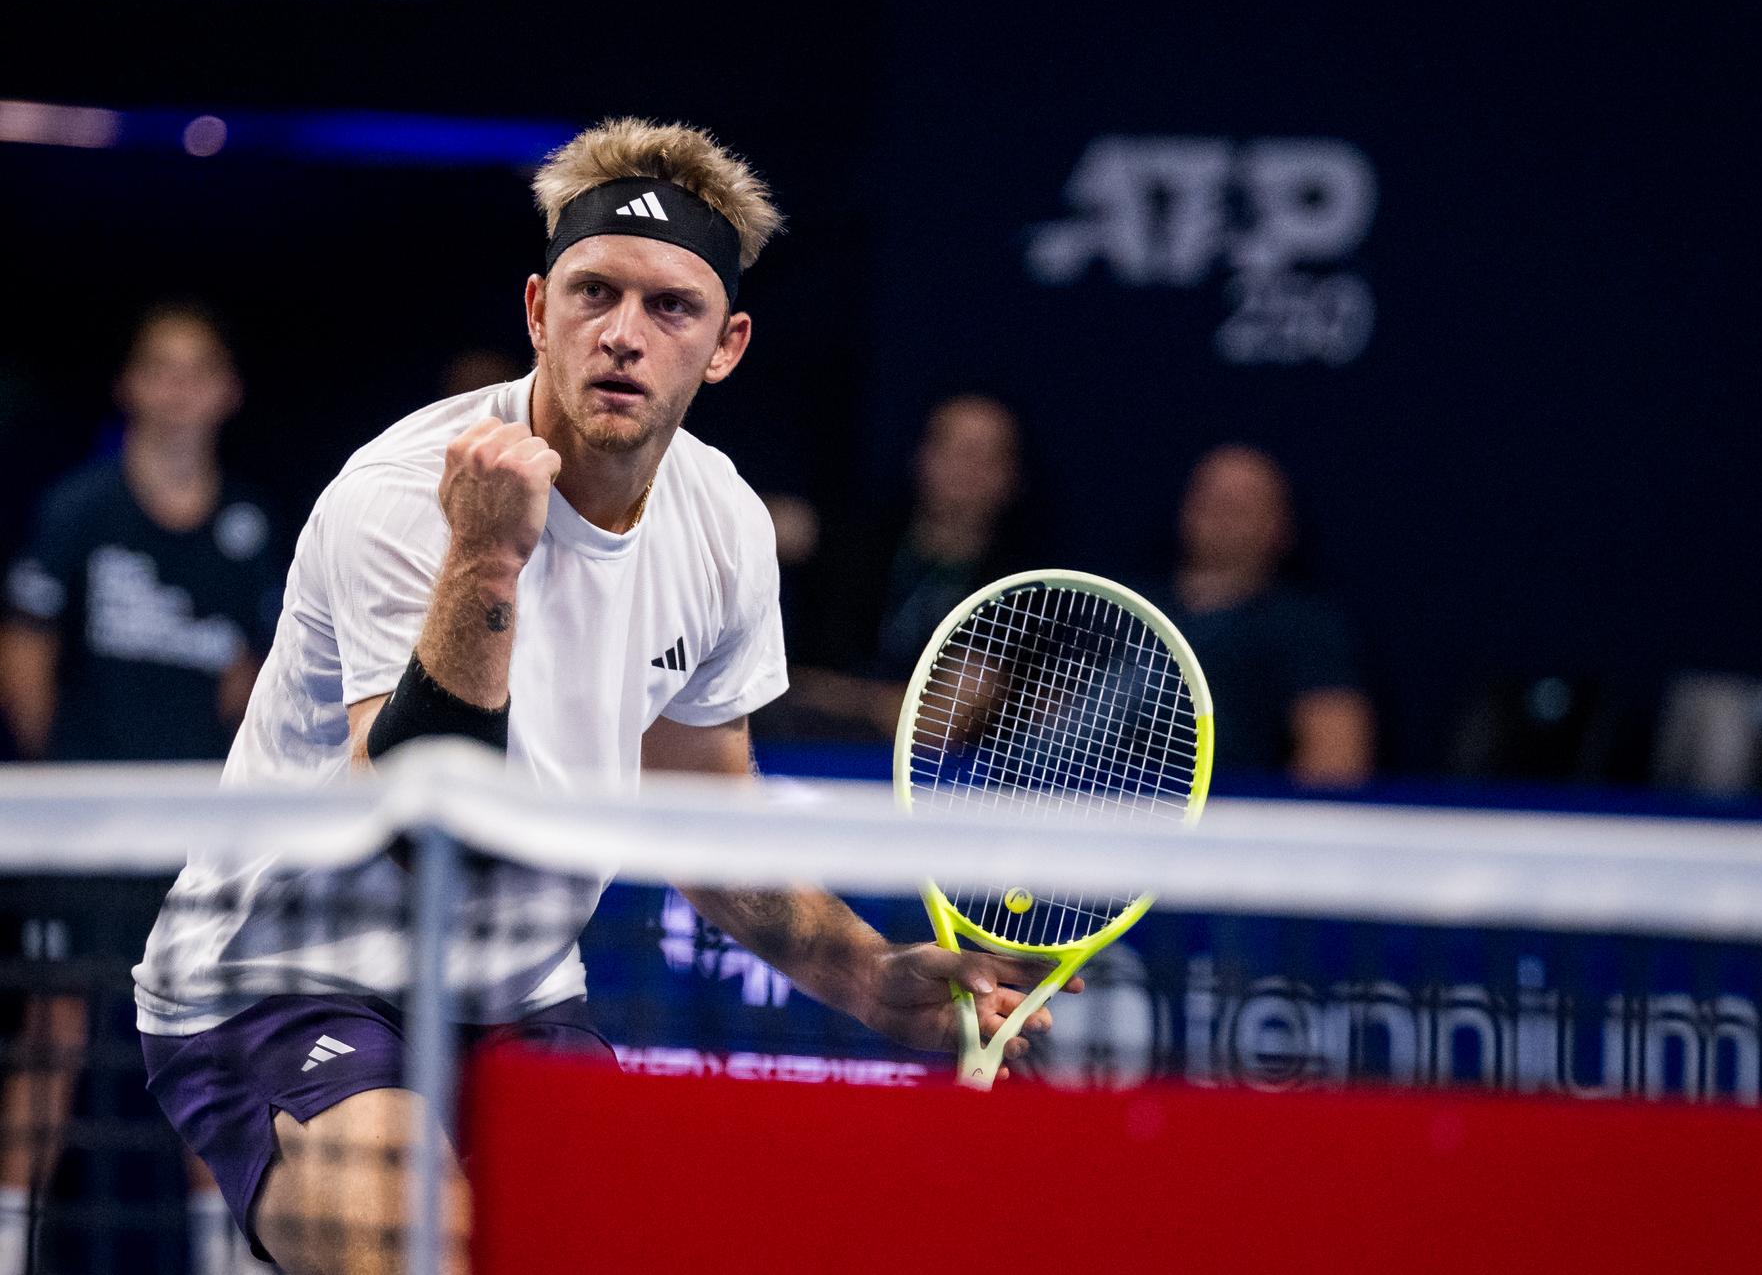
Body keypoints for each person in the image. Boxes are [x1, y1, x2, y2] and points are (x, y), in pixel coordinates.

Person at [130, 119, 1072, 1275]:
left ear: (725, 345)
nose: (624, 334)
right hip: (286, 975)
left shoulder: (722, 526)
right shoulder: (399, 495)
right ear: (537, 313)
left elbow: (705, 821)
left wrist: (875, 982)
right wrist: (483, 560)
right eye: (594, 294)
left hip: (514, 990)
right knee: (429, 1252)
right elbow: (428, 836)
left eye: (670, 307)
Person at [0, 302, 281, 1275]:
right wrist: (68, 790)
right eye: (159, 368)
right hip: (86, 837)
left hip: (202, 839)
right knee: (55, 1035)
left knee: (210, 1047)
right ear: (131, 386)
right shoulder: (79, 510)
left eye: (196, 369)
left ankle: (219, 1258)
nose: (178, 389)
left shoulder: (251, 529)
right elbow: (24, 657)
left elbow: (262, 681)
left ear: (225, 391)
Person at [781, 392, 1031, 736]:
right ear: (923, 455)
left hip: (927, 779)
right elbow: (762, 524)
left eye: (986, 455)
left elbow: (935, 722)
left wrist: (818, 691)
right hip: (801, 754)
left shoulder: (1022, 593)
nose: (968, 467)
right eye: (954, 449)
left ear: (1012, 476)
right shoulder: (859, 538)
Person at [1157, 444, 1373, 785]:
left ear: (1281, 526)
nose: (1223, 511)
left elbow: (1337, 763)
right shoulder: (1117, 606)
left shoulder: (1306, 627)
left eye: (1244, 502)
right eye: (1211, 496)